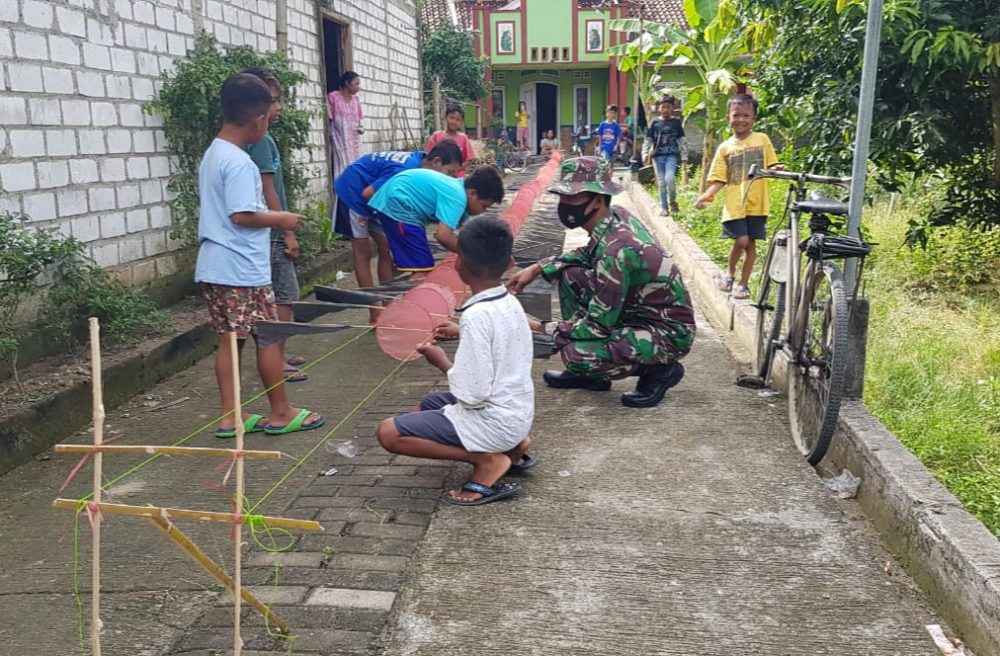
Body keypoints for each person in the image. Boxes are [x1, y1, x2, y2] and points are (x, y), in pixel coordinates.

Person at [508, 156, 696, 408]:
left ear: (596, 199)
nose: (564, 205)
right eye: (562, 197)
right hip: (638, 311)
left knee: (576, 354)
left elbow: (598, 327)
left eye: (572, 198)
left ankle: (660, 371)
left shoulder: (616, 252)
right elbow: (587, 253)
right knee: (570, 272)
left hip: (668, 332)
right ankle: (593, 377)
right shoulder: (616, 217)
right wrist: (538, 267)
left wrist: (544, 328)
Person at [195, 73, 324, 438]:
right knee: (267, 336)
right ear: (258, 120)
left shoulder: (213, 153)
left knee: (229, 341)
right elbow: (242, 215)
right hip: (241, 268)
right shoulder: (239, 162)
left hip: (216, 265)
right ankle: (281, 412)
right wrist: (282, 219)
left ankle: (230, 417)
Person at [376, 216, 535, 506]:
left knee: (388, 432)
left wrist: (441, 363)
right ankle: (515, 446)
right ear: (510, 262)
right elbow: (502, 340)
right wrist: (462, 330)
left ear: (459, 263)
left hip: (495, 421)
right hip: (517, 417)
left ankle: (487, 460)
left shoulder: (476, 315)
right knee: (430, 403)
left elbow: (473, 394)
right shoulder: (509, 302)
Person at [243, 68, 308, 383]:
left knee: (270, 297)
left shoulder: (245, 141)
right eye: (273, 101)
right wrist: (287, 231)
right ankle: (277, 359)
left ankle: (277, 353)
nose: (279, 107)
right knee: (284, 294)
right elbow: (269, 190)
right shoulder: (263, 141)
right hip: (271, 233)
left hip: (260, 234)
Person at [334, 141, 464, 294]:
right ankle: (373, 309)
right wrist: (370, 217)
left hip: (377, 200)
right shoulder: (404, 169)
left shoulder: (420, 160)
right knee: (363, 251)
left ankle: (387, 301)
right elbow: (368, 193)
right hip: (354, 192)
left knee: (387, 249)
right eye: (449, 172)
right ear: (436, 161)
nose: (450, 178)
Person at [695, 93, 783, 300]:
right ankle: (729, 273)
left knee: (751, 244)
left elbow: (771, 165)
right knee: (742, 240)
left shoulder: (762, 139)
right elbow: (719, 179)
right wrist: (706, 197)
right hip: (735, 204)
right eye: (736, 115)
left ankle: (743, 285)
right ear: (728, 117)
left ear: (754, 119)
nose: (741, 120)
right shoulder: (725, 147)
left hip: (758, 204)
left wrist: (776, 168)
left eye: (746, 115)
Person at [368, 165, 504, 274]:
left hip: (394, 197)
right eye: (484, 206)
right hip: (400, 203)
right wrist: (474, 256)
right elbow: (443, 236)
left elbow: (471, 230)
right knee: (423, 269)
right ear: (473, 193)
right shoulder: (457, 197)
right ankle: (406, 304)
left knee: (411, 261)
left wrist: (492, 250)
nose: (482, 211)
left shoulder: (460, 190)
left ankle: (389, 299)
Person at [328, 71, 364, 239]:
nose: (358, 87)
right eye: (356, 83)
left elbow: (359, 122)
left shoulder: (356, 101)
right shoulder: (333, 97)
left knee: (354, 180)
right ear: (348, 84)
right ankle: (342, 223)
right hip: (340, 146)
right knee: (342, 180)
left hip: (354, 147)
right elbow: (329, 122)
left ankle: (354, 220)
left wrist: (360, 129)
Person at [644, 95, 688, 217]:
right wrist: (645, 154)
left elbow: (682, 140)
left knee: (670, 179)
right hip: (658, 156)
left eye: (668, 107)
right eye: (663, 107)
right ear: (659, 108)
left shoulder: (676, 122)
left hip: (671, 155)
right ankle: (664, 207)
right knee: (662, 182)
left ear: (672, 108)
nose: (665, 110)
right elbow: (648, 140)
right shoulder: (655, 123)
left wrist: (684, 157)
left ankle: (672, 201)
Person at [424, 103, 476, 178]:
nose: (454, 121)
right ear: (445, 117)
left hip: (457, 177)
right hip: (438, 176)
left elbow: (470, 159)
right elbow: (427, 155)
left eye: (458, 119)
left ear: (461, 122)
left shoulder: (463, 138)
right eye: (452, 118)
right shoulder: (437, 136)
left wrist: (455, 169)